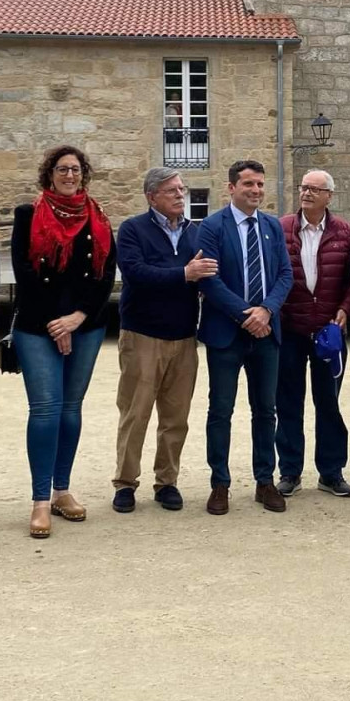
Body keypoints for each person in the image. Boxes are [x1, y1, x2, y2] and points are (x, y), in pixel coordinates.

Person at [11, 145, 117, 539]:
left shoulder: (99, 217)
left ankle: (62, 490)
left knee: (71, 409)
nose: (69, 175)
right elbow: (24, 272)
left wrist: (77, 319)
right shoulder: (28, 215)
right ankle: (40, 501)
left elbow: (106, 275)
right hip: (38, 326)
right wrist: (58, 324)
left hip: (85, 325)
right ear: (49, 174)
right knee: (45, 409)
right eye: (62, 169)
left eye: (75, 169)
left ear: (83, 175)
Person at [112, 168, 218, 514]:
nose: (180, 195)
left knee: (176, 417)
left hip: (184, 337)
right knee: (135, 413)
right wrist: (183, 274)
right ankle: (126, 483)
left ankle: (167, 481)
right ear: (151, 196)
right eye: (172, 190)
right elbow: (135, 273)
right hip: (142, 335)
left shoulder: (196, 232)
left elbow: (208, 276)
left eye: (182, 189)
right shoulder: (132, 230)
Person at [196, 159, 293, 515]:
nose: (256, 191)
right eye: (248, 184)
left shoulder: (271, 226)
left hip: (267, 333)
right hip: (226, 334)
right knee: (220, 410)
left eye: (260, 185)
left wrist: (266, 310)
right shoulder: (211, 226)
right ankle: (219, 483)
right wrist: (245, 315)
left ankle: (265, 481)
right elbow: (209, 280)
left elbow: (285, 274)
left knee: (266, 411)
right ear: (231, 188)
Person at [276, 169, 350, 499]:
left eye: (315, 189)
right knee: (288, 403)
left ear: (329, 196)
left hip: (329, 333)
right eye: (304, 188)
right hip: (291, 330)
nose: (307, 193)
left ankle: (331, 472)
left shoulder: (344, 233)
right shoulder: (280, 229)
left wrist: (346, 310)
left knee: (329, 404)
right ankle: (290, 472)